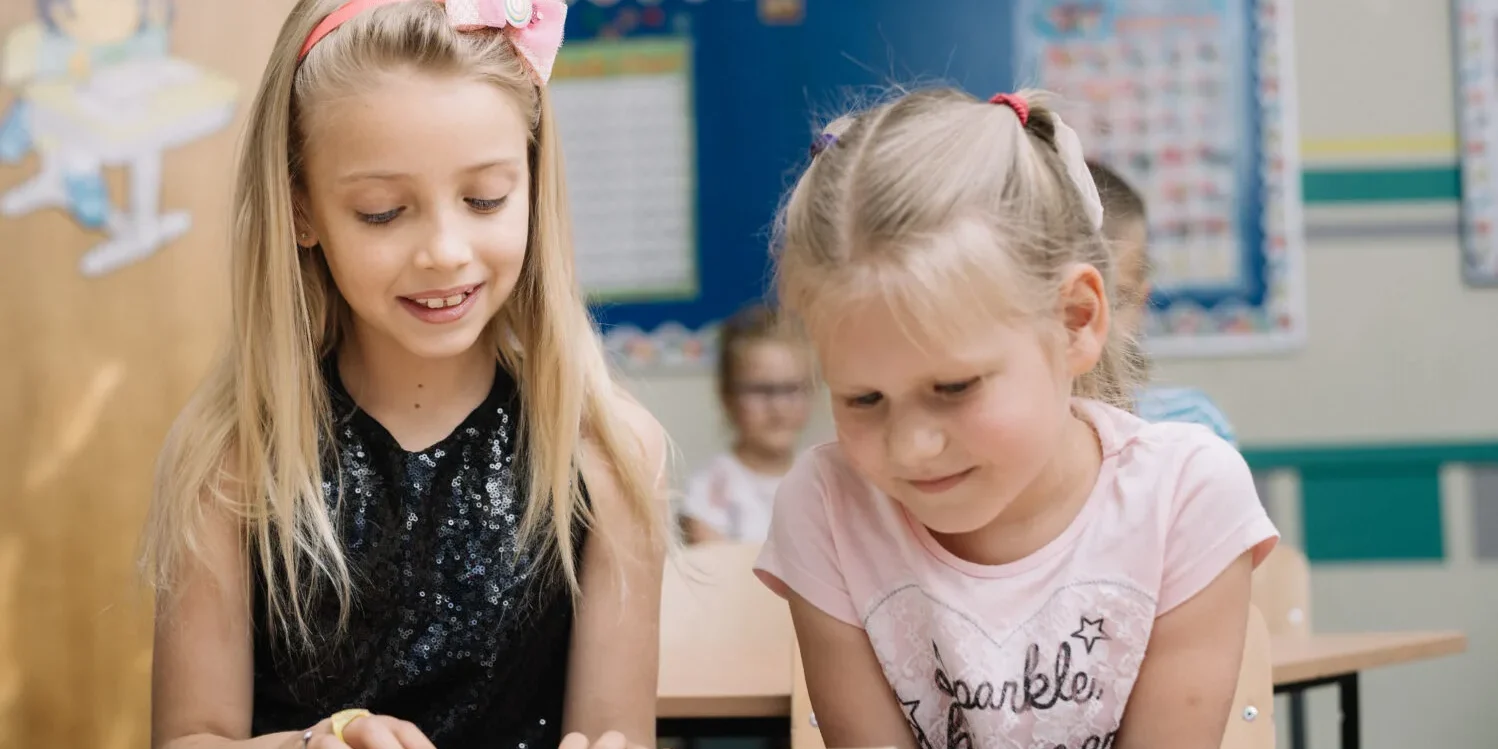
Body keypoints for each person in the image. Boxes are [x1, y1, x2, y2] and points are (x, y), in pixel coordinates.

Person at [140, 2, 668, 748]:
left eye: (485, 198)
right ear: (302, 209)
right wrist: (314, 742)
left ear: (533, 179)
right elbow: (189, 737)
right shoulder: (227, 461)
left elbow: (619, 733)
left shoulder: (611, 453)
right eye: (384, 212)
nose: (445, 251)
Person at [754, 88, 1279, 749]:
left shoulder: (1186, 494)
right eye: (863, 399)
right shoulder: (825, 505)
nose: (912, 446)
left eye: (953, 386)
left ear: (1075, 321)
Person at [1087, 160, 1239, 445]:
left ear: (1142, 300)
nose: (1098, 327)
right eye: (1076, 307)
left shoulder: (1194, 425)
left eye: (1118, 300)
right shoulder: (1015, 441)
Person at [680, 303, 813, 545]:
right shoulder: (707, 492)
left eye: (791, 387)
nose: (779, 407)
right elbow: (717, 573)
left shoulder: (827, 483)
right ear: (726, 395)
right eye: (760, 390)